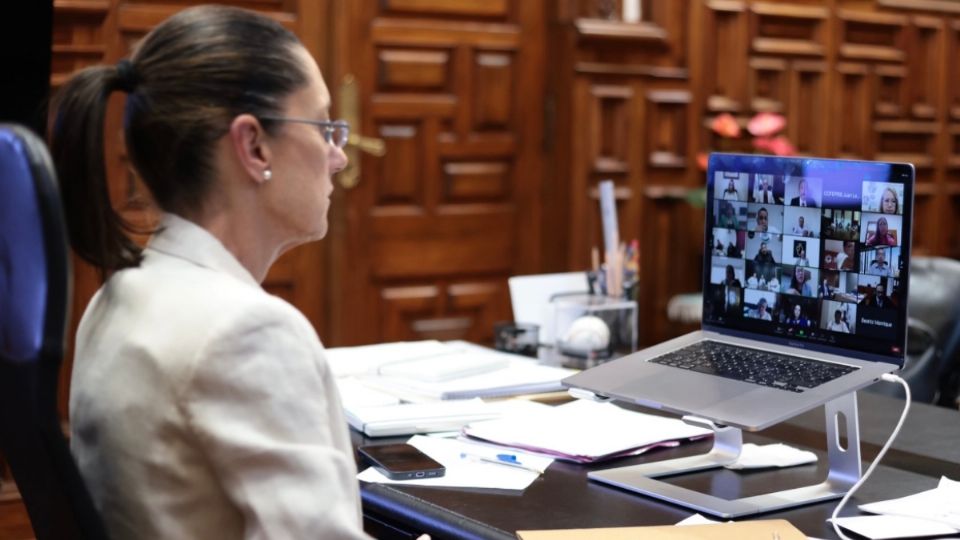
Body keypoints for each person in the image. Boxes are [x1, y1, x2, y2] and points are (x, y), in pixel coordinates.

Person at [50, 6, 368, 539]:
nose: (338, 157)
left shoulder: (117, 296)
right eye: (323, 127)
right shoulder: (249, 332)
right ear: (254, 145)